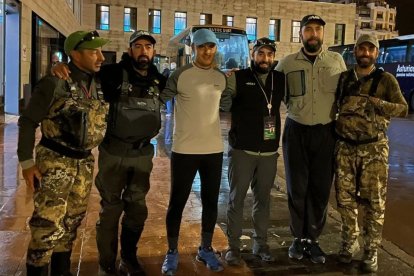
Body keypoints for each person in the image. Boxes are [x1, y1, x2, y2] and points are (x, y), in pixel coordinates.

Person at [52, 30, 166, 275]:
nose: (144, 51)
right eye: (138, 46)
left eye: (148, 46)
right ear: (130, 50)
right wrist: (61, 66)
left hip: (143, 154)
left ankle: (129, 257)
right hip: (113, 152)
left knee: (137, 208)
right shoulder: (112, 73)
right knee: (111, 209)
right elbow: (81, 71)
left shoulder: (159, 80)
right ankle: (106, 264)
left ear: (154, 51)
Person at [17, 30, 109, 276]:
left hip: (84, 164)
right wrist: (27, 163)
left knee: (71, 222)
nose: (100, 57)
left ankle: (61, 272)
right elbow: (27, 122)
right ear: (74, 54)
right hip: (55, 162)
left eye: (100, 51)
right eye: (93, 51)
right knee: (47, 224)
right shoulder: (54, 83)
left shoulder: (95, 81)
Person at [275, 14, 347, 264]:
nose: (313, 34)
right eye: (309, 29)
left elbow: (346, 95)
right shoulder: (286, 63)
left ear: (323, 34)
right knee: (297, 188)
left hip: (327, 132)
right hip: (297, 130)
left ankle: (313, 240)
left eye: (318, 29)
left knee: (319, 189)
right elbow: (271, 90)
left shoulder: (337, 61)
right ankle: (298, 239)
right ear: (301, 34)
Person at [159, 28, 231, 275]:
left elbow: (228, 103)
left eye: (211, 47)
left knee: (211, 202)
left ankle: (206, 248)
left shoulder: (221, 78)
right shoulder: (180, 75)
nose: (207, 51)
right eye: (202, 47)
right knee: (177, 203)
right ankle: (171, 251)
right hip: (184, 150)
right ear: (193, 49)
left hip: (213, 150)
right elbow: (160, 98)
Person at [334, 34, 408, 272]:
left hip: (374, 150)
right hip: (345, 148)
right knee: (345, 201)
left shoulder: (386, 80)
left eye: (370, 49)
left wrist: (379, 104)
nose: (365, 53)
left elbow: (403, 108)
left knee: (374, 203)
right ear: (355, 51)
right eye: (361, 49)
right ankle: (348, 243)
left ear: (376, 53)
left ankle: (370, 250)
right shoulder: (345, 78)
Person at [223, 37, 285, 265]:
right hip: (242, 151)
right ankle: (234, 247)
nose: (265, 58)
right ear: (253, 54)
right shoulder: (238, 78)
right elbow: (223, 103)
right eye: (261, 54)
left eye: (269, 54)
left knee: (263, 201)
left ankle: (261, 244)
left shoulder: (280, 79)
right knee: (236, 200)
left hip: (269, 153)